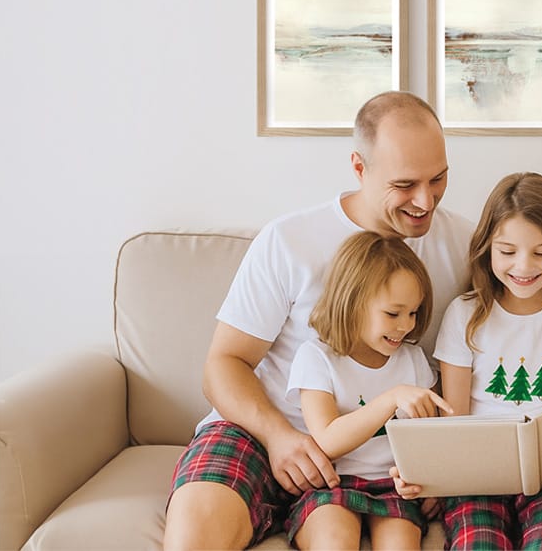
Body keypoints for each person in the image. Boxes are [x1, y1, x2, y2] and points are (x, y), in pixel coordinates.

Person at [163, 92, 474, 550]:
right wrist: (279, 437)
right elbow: (223, 364)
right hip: (266, 429)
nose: (424, 201)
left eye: (439, 178)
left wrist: (440, 460)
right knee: (194, 534)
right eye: (405, 184)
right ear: (359, 167)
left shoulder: (464, 244)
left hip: (380, 454)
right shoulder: (290, 241)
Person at [396, 172, 542, 550]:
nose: (523, 267)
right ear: (487, 248)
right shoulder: (465, 314)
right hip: (477, 474)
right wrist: (437, 475)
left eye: (541, 253)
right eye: (507, 252)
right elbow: (454, 416)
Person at [286, 231, 451, 549]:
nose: (406, 326)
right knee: (333, 541)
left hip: (394, 488)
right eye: (393, 313)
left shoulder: (412, 359)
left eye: (413, 313)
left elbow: (432, 437)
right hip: (333, 484)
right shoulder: (317, 357)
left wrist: (429, 481)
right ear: (352, 302)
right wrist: (391, 398)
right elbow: (327, 440)